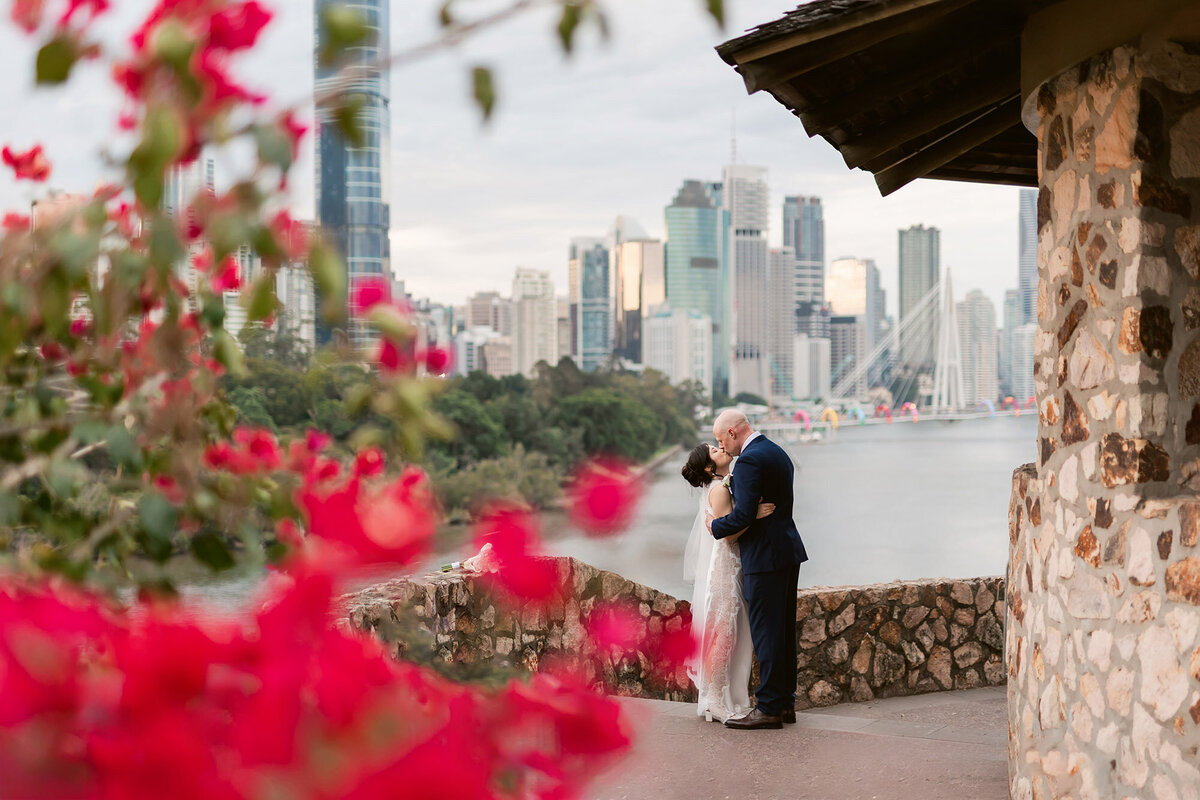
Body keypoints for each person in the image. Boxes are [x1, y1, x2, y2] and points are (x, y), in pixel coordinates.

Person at [709, 409, 808, 730]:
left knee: (767, 634)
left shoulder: (749, 461)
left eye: (721, 439)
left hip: (764, 558)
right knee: (782, 634)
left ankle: (768, 708)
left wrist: (714, 526)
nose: (722, 447)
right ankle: (784, 703)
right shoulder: (776, 451)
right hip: (786, 551)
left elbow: (742, 517)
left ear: (734, 433)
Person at [681, 443, 775, 722]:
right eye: (714, 450)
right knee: (723, 637)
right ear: (710, 467)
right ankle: (714, 701)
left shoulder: (719, 485)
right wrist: (753, 515)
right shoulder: (720, 489)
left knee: (724, 635)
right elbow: (728, 535)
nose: (720, 448)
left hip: (727, 567)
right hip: (724, 569)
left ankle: (720, 696)